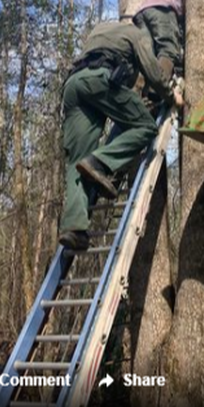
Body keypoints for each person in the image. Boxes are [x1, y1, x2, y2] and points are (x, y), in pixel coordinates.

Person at [58, 20, 182, 251]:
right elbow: (153, 72)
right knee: (145, 126)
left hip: (73, 86)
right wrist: (171, 95)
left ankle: (74, 228)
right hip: (99, 80)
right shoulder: (135, 34)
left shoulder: (99, 30)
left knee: (77, 159)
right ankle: (100, 163)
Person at [133, 0, 185, 82]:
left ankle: (141, 92)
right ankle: (159, 90)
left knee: (147, 56)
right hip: (162, 8)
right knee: (168, 49)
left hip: (143, 12)